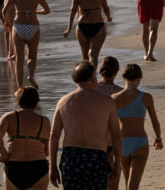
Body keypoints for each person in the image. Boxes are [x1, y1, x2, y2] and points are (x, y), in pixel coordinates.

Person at [49, 61, 122, 190]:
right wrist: (117, 163)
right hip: (96, 156)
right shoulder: (107, 101)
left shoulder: (63, 102)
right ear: (93, 77)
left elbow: (54, 136)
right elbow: (116, 135)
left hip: (71, 157)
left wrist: (53, 166)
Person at [113, 64, 163, 190]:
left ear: (124, 77)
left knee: (127, 182)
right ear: (139, 78)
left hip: (121, 143)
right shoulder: (146, 97)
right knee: (133, 185)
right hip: (139, 142)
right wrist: (158, 139)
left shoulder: (114, 98)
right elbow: (155, 122)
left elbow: (110, 125)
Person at [0, 87, 51, 190]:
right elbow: (46, 151)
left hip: (14, 168)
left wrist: (4, 154)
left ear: (18, 102)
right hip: (38, 168)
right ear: (36, 103)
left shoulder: (9, 117)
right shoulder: (44, 121)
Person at [2, 0, 50, 89]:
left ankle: (20, 87)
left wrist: (7, 22)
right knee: (32, 57)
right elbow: (47, 10)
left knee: (19, 59)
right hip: (33, 27)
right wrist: (35, 11)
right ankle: (31, 76)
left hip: (19, 27)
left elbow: (4, 10)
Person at [65, 0, 112, 67]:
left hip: (83, 26)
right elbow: (105, 7)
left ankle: (86, 78)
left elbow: (73, 10)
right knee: (94, 55)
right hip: (98, 25)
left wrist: (69, 29)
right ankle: (93, 77)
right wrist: (108, 17)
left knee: (85, 56)